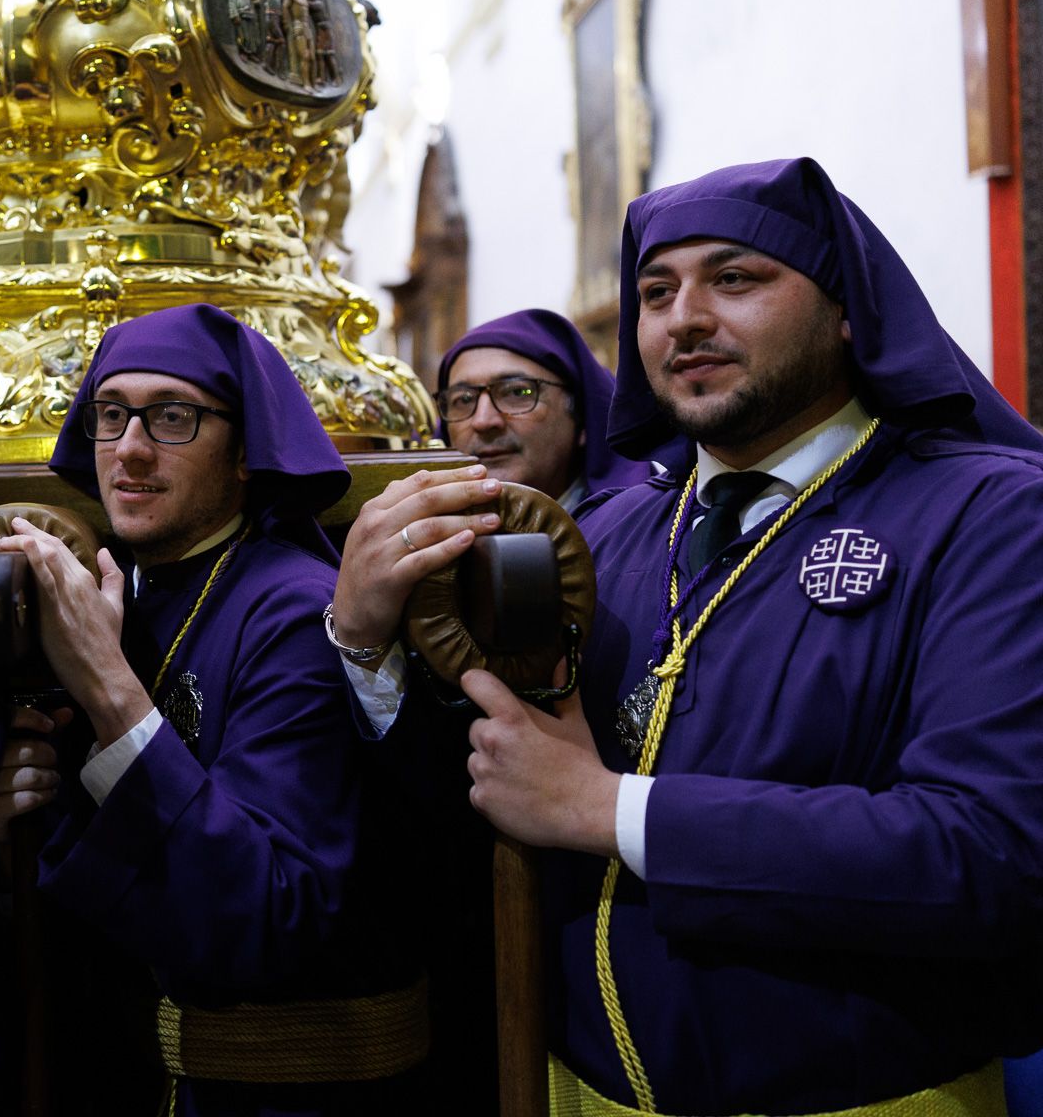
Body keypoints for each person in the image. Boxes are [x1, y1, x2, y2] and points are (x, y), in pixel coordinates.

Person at [335, 157, 1043, 1115]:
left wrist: (611, 811)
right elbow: (487, 795)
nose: (685, 319)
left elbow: (989, 856)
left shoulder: (988, 515)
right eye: (657, 292)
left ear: (848, 309)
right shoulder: (607, 533)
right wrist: (365, 642)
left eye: (735, 278)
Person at [0, 303, 430, 1116]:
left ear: (246, 450)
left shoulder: (293, 609)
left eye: (173, 417)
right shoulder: (120, 591)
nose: (129, 447)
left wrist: (108, 689)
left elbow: (266, 913)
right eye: (110, 414)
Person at [437, 307, 653, 506]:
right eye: (463, 400)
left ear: (581, 415)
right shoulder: (429, 529)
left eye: (517, 392)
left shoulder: (646, 525)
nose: (483, 421)